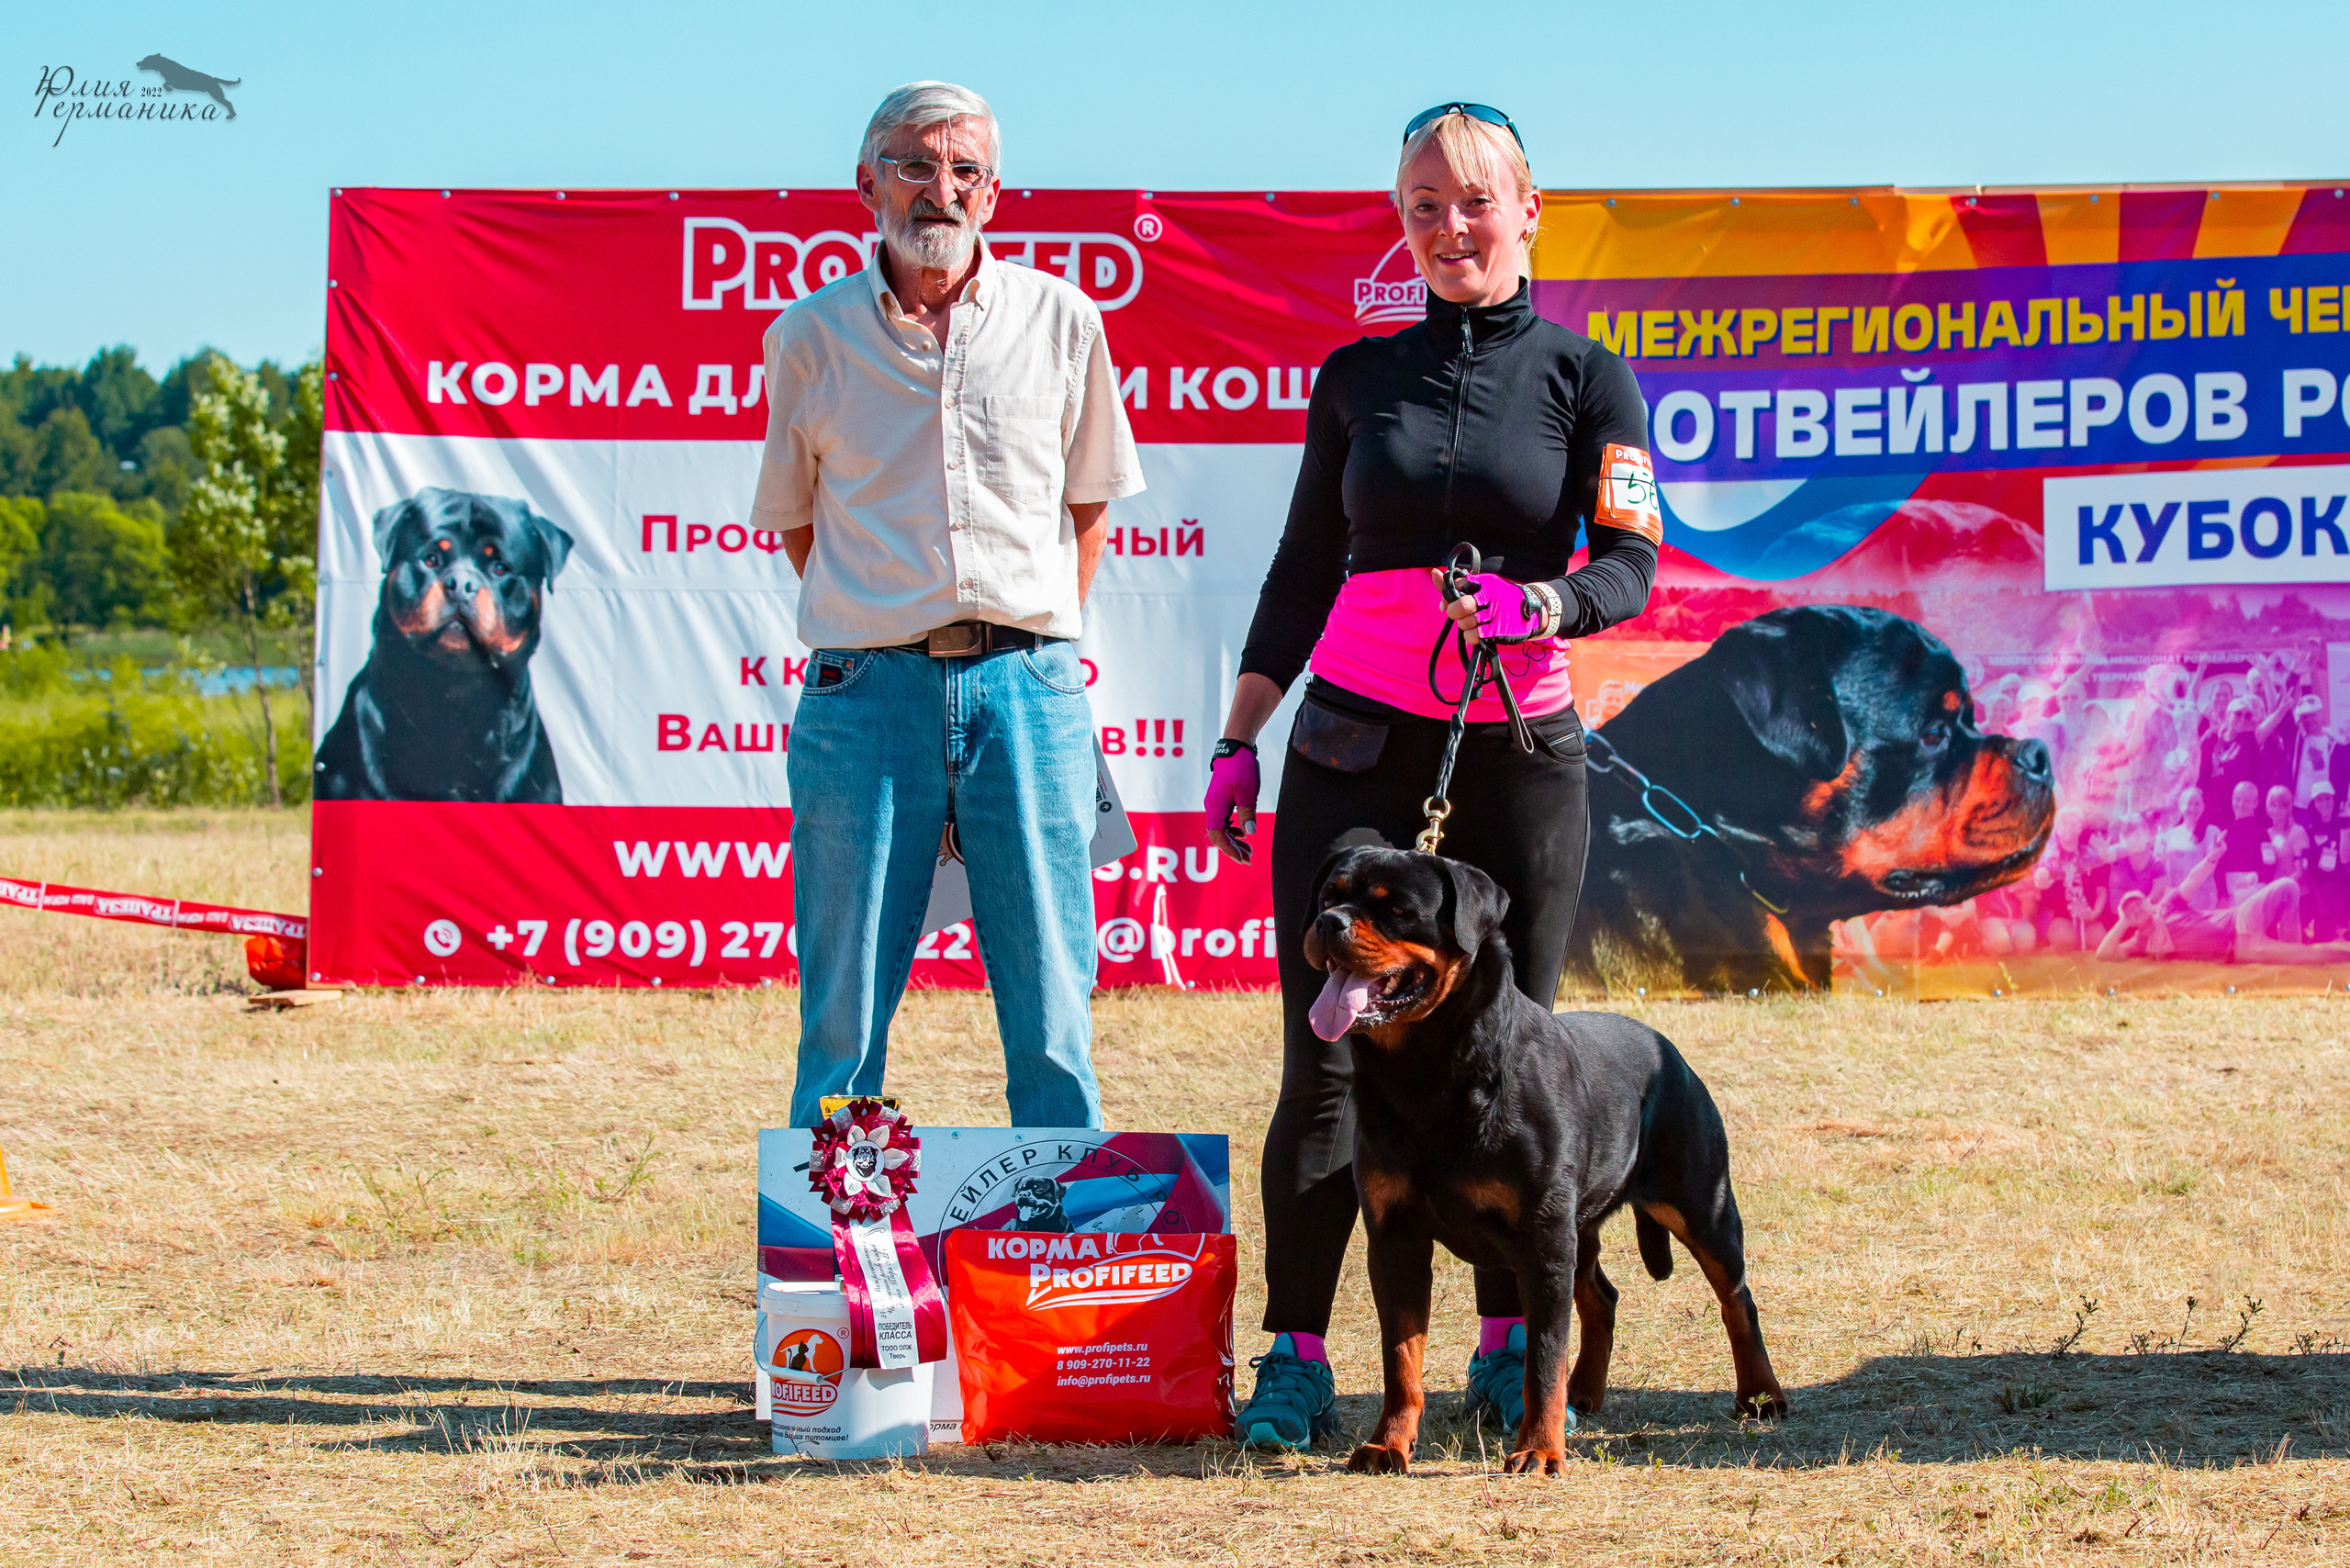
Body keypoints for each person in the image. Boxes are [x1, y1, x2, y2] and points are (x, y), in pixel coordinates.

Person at [1200, 104, 1658, 1450]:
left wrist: (1548, 608)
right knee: (1327, 1061)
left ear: (1528, 210)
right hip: (1349, 745)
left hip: (1519, 757)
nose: (1449, 229)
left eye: (1474, 203)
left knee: (1515, 1063)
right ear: (1399, 223)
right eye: (1422, 207)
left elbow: (1629, 564)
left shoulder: (1592, 378)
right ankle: (1295, 1357)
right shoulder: (1355, 377)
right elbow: (1300, 572)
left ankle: (1509, 1354)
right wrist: (1240, 735)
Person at [752, 82, 1144, 1128]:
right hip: (864, 693)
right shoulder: (809, 339)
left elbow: (1087, 506)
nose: (941, 189)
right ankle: (827, 1275)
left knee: (1054, 1007)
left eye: (965, 169)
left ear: (996, 191)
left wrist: (1032, 639)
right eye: (915, 164)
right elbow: (800, 524)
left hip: (1030, 687)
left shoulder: (1063, 320)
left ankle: (1068, 1264)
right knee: (841, 1017)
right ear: (865, 182)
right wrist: (889, 619)